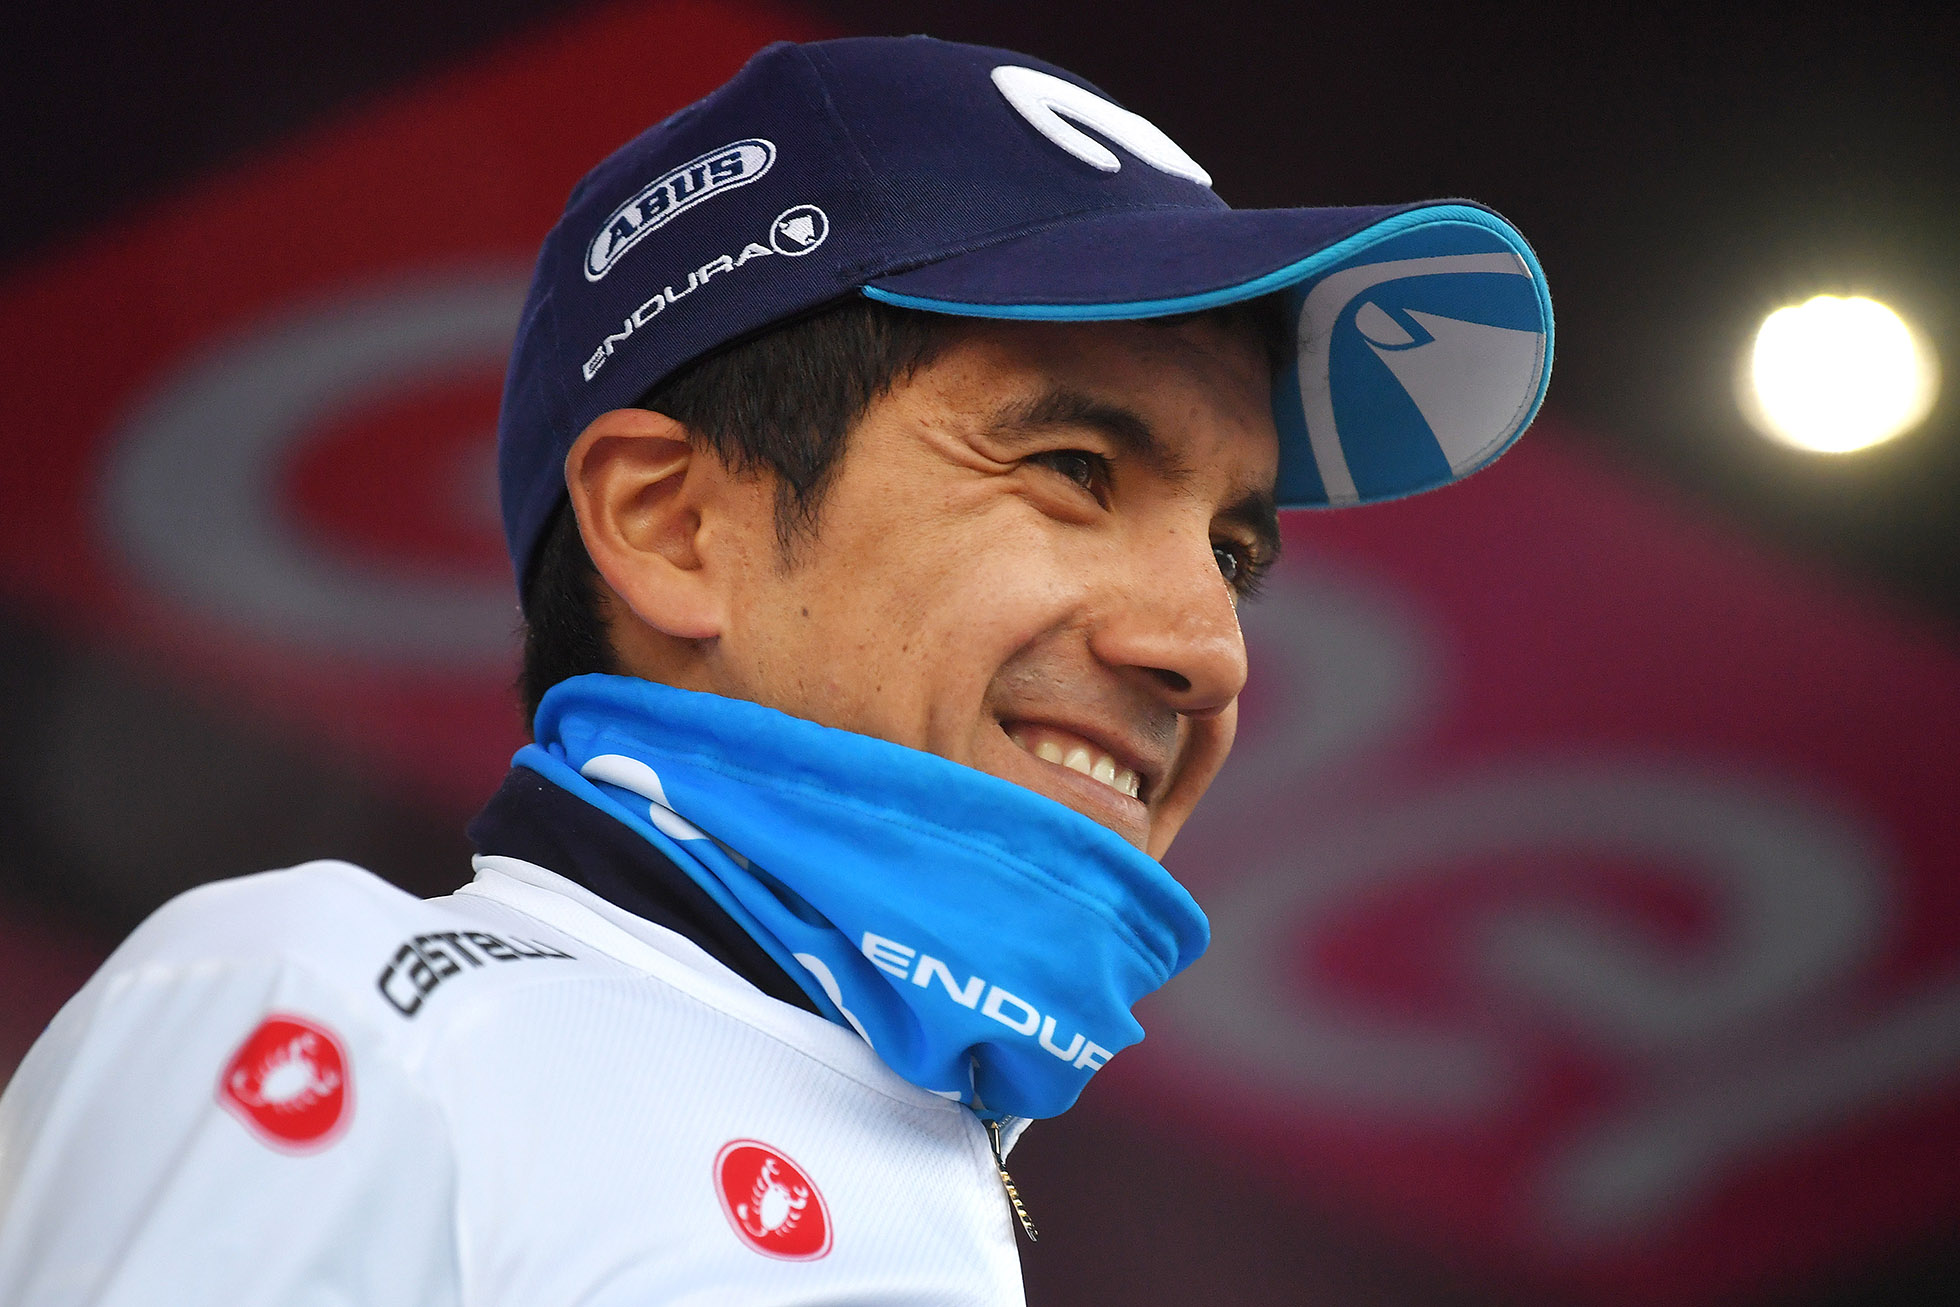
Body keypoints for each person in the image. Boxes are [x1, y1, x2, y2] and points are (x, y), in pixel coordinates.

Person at [0, 35, 1550, 1305]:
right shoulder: (349, 1011)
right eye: (1073, 465)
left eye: (1233, 554)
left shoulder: (932, 1166)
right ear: (673, 527)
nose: (1206, 651)